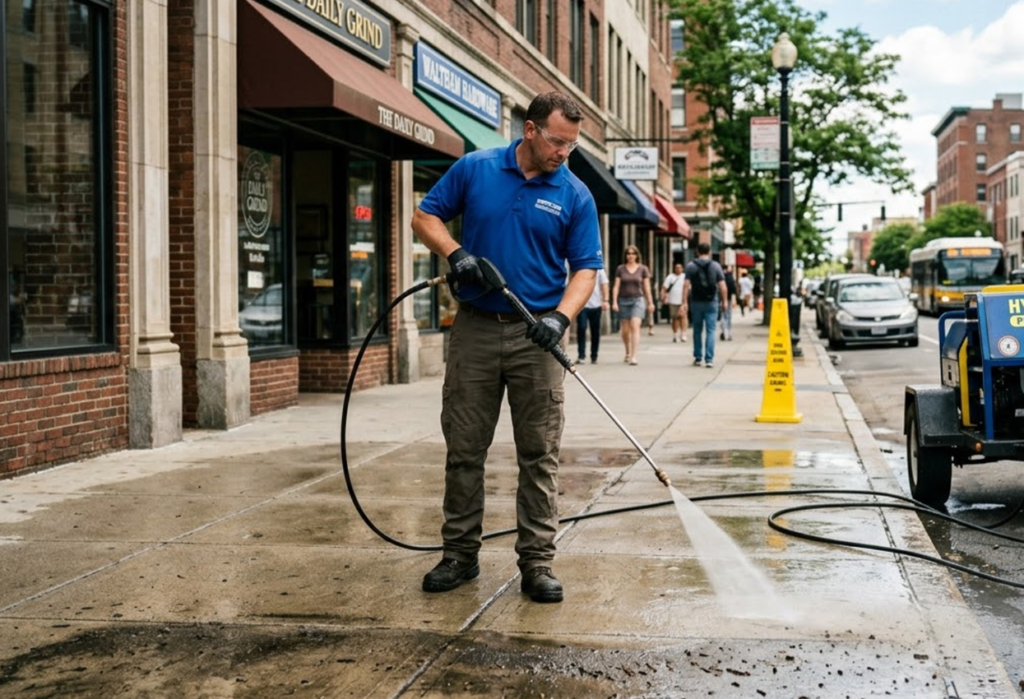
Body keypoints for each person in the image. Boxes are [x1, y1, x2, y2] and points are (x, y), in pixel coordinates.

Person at [410, 92, 602, 604]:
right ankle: (459, 555)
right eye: (558, 141)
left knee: (539, 454)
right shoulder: (476, 168)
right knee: (465, 447)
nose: (565, 152)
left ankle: (537, 563)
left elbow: (586, 269)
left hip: (536, 335)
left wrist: (560, 318)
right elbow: (424, 217)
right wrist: (456, 253)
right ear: (531, 130)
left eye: (573, 145)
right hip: (474, 327)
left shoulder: (575, 194)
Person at [682, 242, 727, 368]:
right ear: (709, 252)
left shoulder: (691, 266)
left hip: (696, 301)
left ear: (697, 251)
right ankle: (709, 359)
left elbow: (686, 285)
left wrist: (684, 302)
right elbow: (723, 286)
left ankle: (697, 357)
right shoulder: (716, 266)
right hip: (712, 301)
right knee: (711, 330)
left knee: (697, 330)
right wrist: (725, 302)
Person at [611, 245, 654, 365]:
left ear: (637, 255)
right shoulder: (620, 269)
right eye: (628, 254)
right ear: (626, 256)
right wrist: (614, 301)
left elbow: (647, 287)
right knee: (625, 330)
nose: (630, 256)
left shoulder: (643, 269)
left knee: (635, 326)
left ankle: (634, 356)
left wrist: (650, 302)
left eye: (633, 253)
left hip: (638, 300)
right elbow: (616, 286)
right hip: (623, 301)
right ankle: (628, 352)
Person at [577, 267, 609, 364]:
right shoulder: (579, 268)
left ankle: (594, 355)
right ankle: (581, 355)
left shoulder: (599, 270)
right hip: (582, 305)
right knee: (581, 329)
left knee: (595, 331)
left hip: (596, 305)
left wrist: (605, 300)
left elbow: (604, 285)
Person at [660, 262, 687, 343]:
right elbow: (664, 288)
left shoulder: (685, 277)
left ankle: (683, 334)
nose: (678, 269)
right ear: (674, 269)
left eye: (680, 268)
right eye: (676, 268)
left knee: (683, 317)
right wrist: (663, 297)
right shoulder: (670, 277)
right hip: (673, 301)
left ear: (682, 269)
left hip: (682, 301)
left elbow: (688, 288)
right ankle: (675, 334)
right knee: (675, 318)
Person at [720, 264, 737, 341]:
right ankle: (729, 333)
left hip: (720, 298)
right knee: (728, 315)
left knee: (723, 315)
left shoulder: (718, 276)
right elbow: (733, 289)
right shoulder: (729, 276)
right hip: (728, 298)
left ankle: (723, 331)